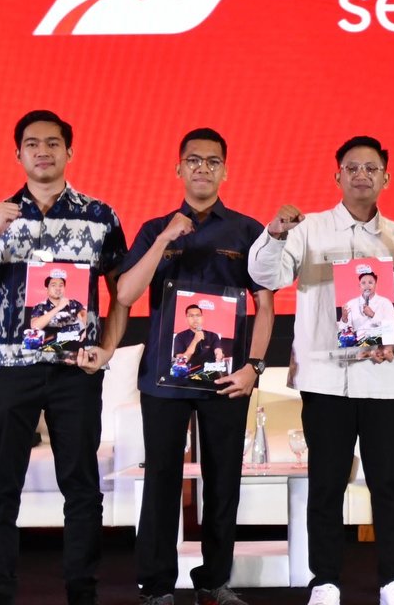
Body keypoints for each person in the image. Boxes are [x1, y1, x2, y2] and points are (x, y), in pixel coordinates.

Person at [248, 136, 394, 605]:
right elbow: (266, 276)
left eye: (371, 168)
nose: (361, 175)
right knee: (326, 484)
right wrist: (275, 232)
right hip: (325, 380)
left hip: (384, 382)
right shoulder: (307, 230)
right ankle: (325, 581)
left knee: (388, 486)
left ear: (386, 177)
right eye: (352, 167)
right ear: (337, 176)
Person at [0, 110, 128, 605]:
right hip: (7, 369)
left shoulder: (100, 216)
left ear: (70, 151)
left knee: (81, 484)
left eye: (53, 143)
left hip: (74, 368)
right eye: (32, 144)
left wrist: (107, 349)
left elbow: (123, 293)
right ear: (19, 154)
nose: (43, 151)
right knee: (1, 484)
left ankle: (81, 589)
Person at [114, 128, 275, 605]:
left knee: (223, 482)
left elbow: (265, 304)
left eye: (212, 161)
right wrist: (166, 237)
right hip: (164, 381)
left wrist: (254, 367)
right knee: (162, 481)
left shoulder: (248, 231)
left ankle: (214, 582)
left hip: (226, 379)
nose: (203, 168)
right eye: (194, 160)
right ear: (179, 169)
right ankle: (157, 587)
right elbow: (125, 293)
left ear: (225, 171)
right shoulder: (154, 229)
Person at [339, 267, 394, 346]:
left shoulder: (385, 303)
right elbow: (342, 331)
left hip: (380, 344)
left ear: (375, 284)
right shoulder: (351, 304)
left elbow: (391, 328)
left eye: (370, 282)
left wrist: (373, 315)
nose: (367, 286)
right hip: (357, 345)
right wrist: (344, 318)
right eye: (363, 283)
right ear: (359, 285)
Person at [29, 271, 87, 338]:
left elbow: (85, 315)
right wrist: (58, 307)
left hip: (74, 341)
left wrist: (85, 329)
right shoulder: (40, 306)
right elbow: (35, 326)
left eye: (61, 285)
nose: (58, 288)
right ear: (47, 289)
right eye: (53, 285)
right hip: (50, 343)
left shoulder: (73, 304)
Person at [173, 304, 226, 372]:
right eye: (191, 316)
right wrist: (195, 341)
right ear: (186, 319)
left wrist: (219, 354)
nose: (195, 318)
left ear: (202, 318)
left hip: (209, 373)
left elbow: (218, 350)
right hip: (189, 373)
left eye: (198, 315)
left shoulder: (213, 336)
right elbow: (180, 363)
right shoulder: (180, 337)